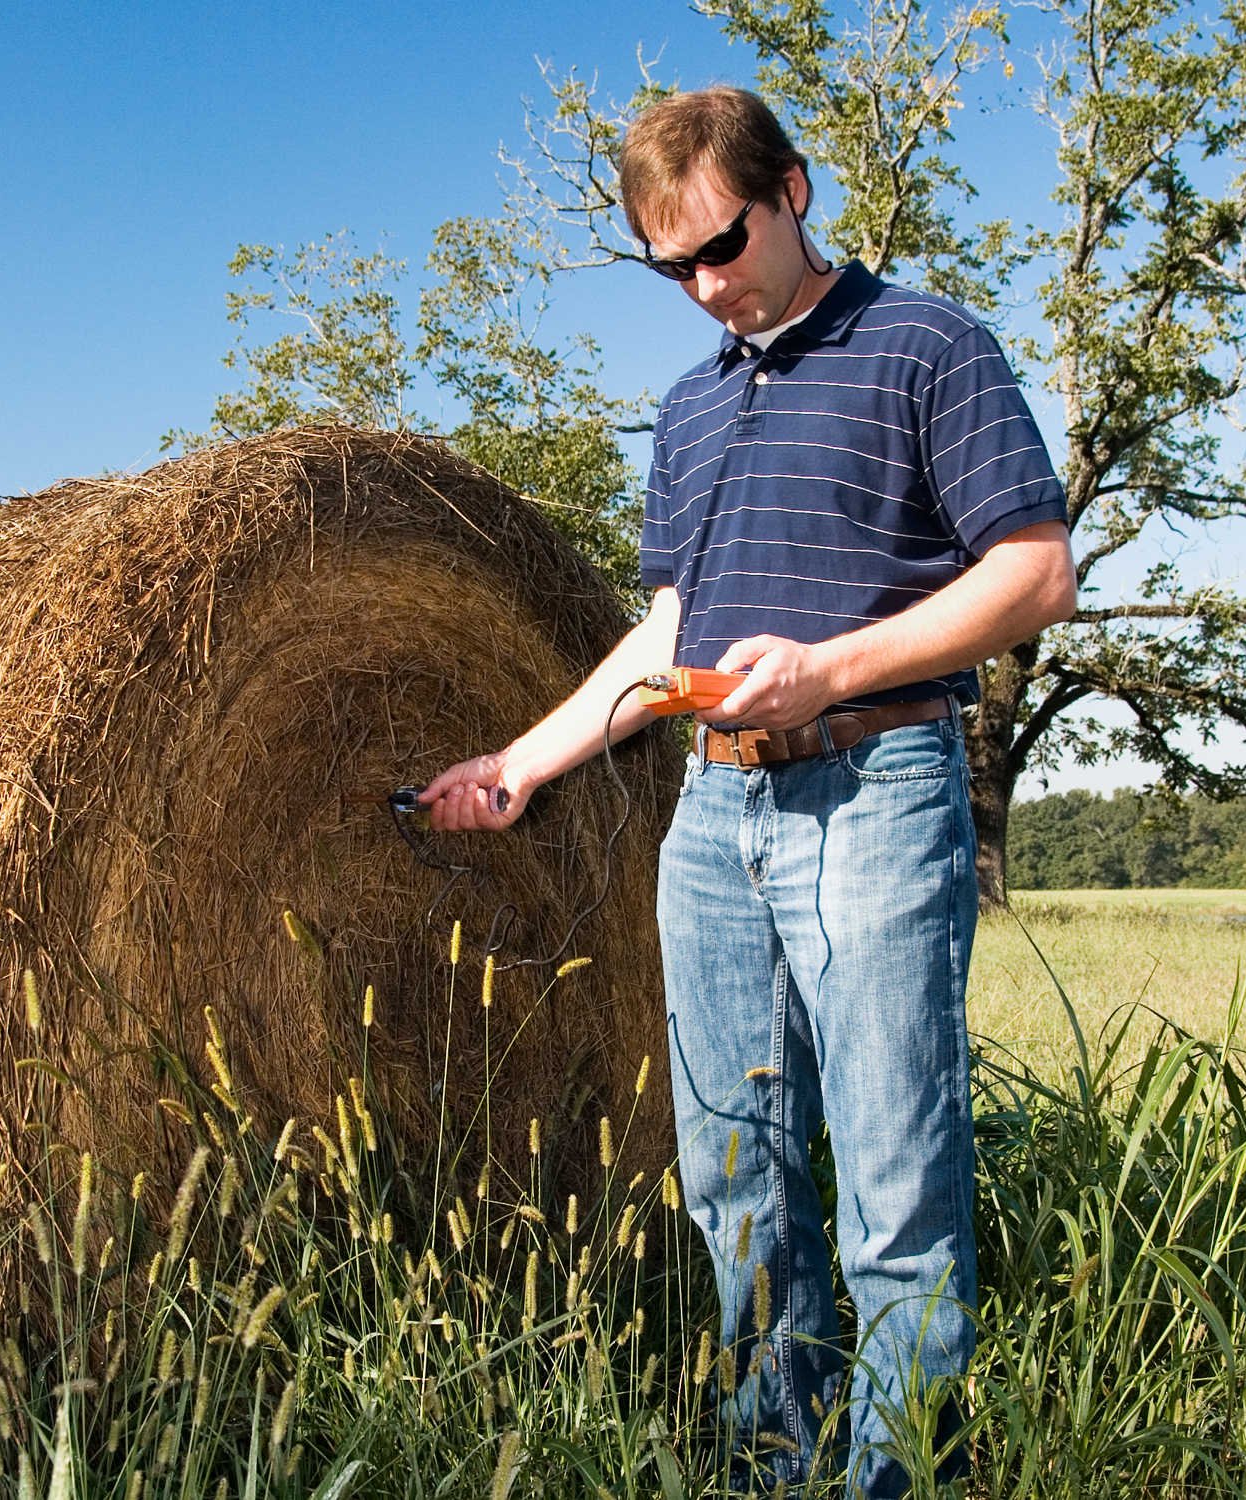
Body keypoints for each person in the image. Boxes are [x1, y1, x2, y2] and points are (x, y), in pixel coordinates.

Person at [420, 86, 1076, 1497]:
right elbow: (671, 639)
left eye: (723, 246)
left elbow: (1034, 573)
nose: (705, 288)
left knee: (895, 1178)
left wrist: (832, 670)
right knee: (733, 1181)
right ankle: (778, 1467)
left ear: (792, 184)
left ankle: (901, 1481)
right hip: (711, 817)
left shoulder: (927, 346)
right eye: (672, 271)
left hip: (877, 788)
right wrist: (519, 767)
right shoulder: (692, 405)